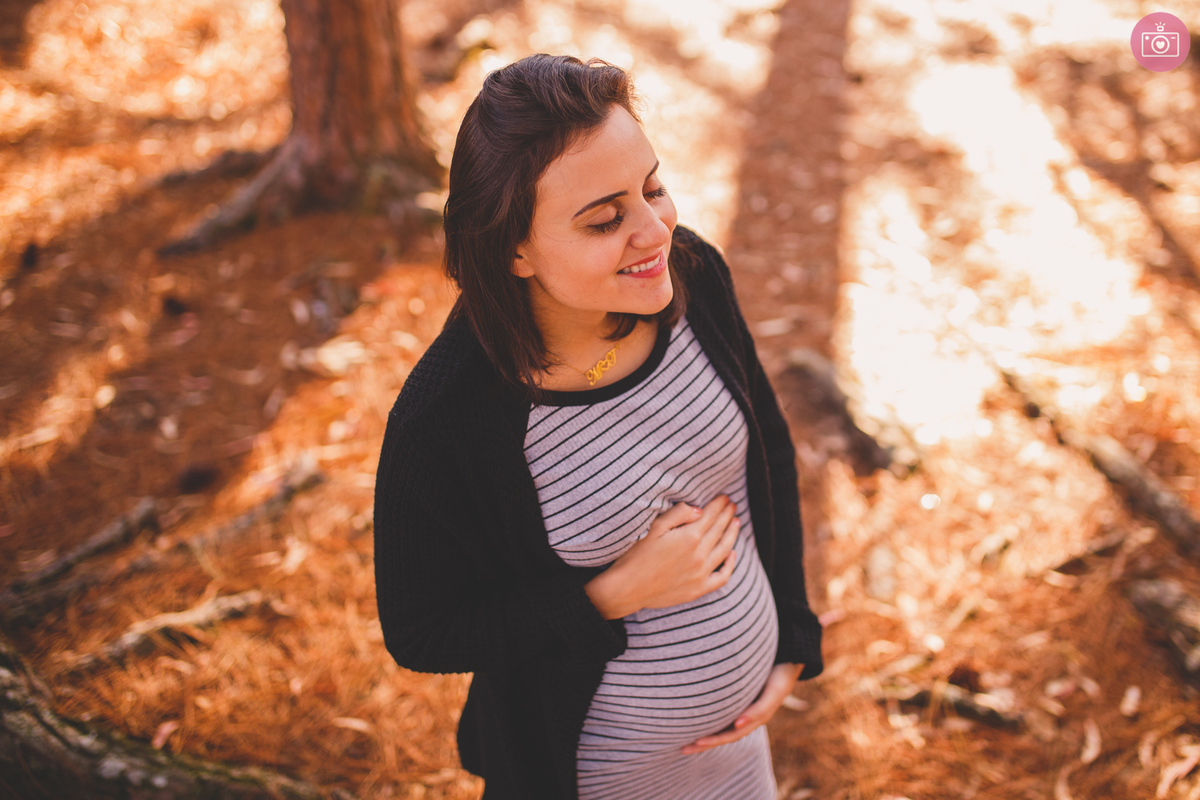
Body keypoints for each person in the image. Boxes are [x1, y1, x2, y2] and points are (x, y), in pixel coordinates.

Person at [374, 54, 823, 800]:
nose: (655, 232)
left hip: (739, 758)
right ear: (513, 248)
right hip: (593, 776)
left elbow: (767, 451)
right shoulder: (445, 422)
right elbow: (424, 631)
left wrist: (791, 638)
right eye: (605, 220)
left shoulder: (695, 279)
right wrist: (608, 595)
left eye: (652, 189)